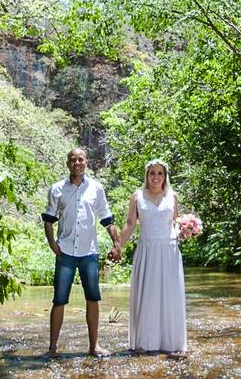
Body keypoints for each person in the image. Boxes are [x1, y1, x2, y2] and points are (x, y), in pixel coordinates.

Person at [42, 147, 121, 357]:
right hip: (65, 252)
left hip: (89, 253)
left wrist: (116, 243)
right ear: (68, 163)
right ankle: (52, 348)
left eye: (81, 159)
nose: (77, 163)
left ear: (87, 162)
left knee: (93, 298)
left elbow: (106, 218)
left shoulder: (96, 188)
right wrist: (52, 244)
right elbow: (48, 220)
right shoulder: (57, 189)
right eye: (73, 160)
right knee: (59, 299)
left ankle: (94, 346)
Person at [116, 158, 187, 355]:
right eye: (152, 173)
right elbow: (130, 224)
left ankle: (170, 343)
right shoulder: (137, 196)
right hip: (147, 251)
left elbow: (176, 224)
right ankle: (145, 342)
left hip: (169, 251)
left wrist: (188, 229)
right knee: (147, 295)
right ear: (146, 176)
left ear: (165, 176)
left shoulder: (172, 196)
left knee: (169, 295)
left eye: (160, 173)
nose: (156, 177)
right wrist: (118, 245)